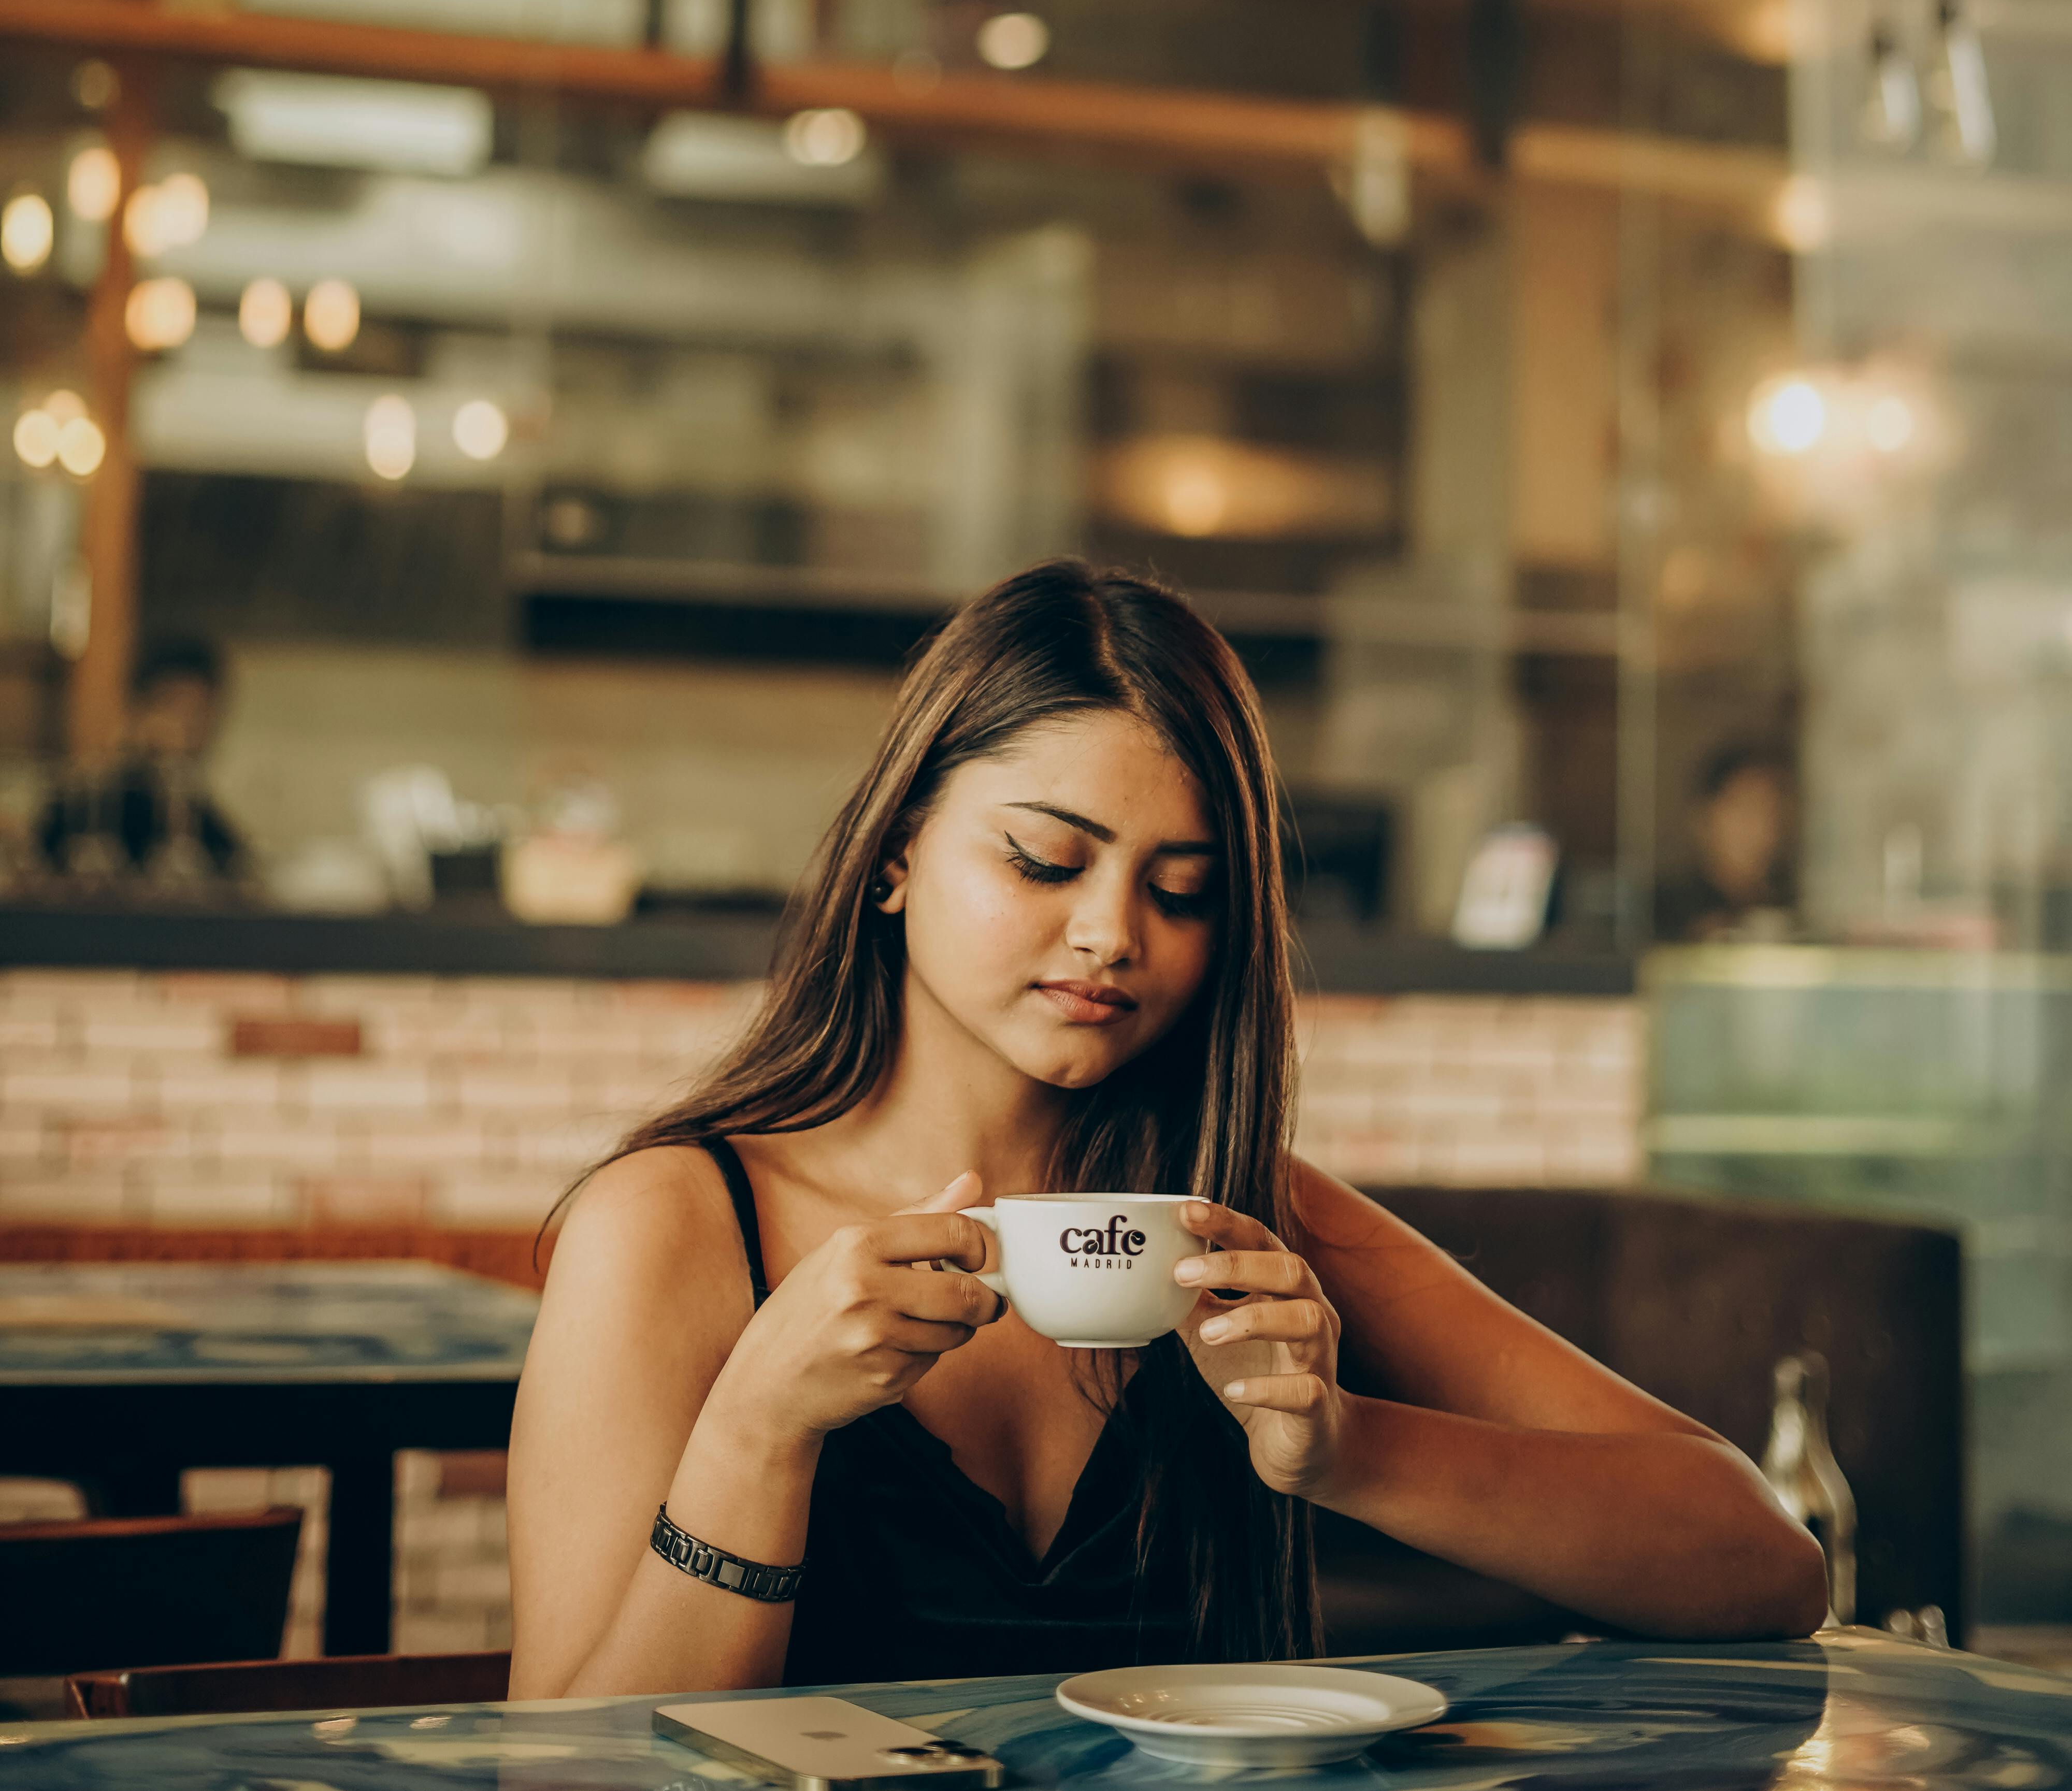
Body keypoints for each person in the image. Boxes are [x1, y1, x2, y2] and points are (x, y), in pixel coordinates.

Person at [507, 564, 1824, 1697]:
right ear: (898, 850)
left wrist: (1347, 1447)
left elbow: (1763, 1561)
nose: (1112, 934)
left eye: (1182, 890)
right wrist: (757, 1431)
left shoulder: (1241, 1223)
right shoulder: (673, 1227)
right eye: (1043, 859)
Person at [34, 637, 248, 892]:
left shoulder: (196, 814)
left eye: (201, 710)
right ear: (137, 709)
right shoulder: (89, 803)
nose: (187, 725)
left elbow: (235, 865)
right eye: (174, 705)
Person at [1657, 741, 1798, 944]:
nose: (1761, 828)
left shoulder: (1792, 906)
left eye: (1771, 811)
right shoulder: (1665, 910)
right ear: (1704, 816)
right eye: (1746, 808)